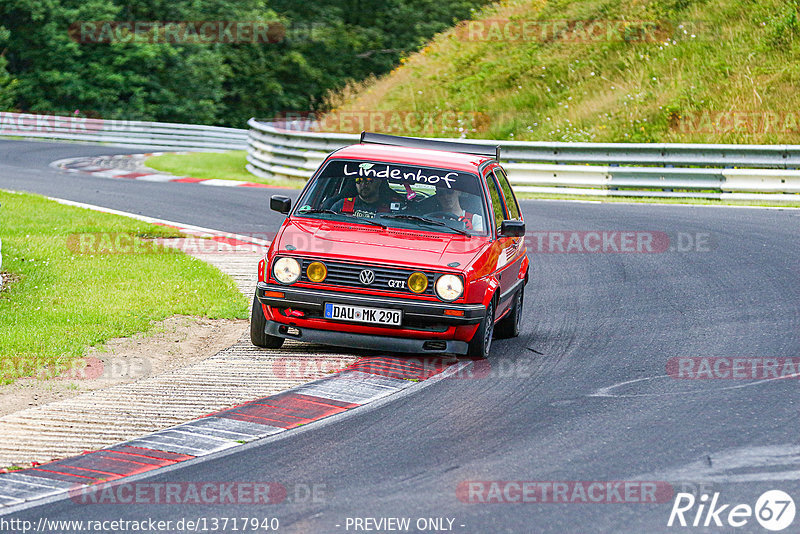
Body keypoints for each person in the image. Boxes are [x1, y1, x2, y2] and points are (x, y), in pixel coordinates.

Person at [332, 176, 403, 219]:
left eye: (369, 179)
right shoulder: (342, 205)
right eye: (359, 180)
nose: (363, 184)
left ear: (379, 181)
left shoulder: (392, 210)